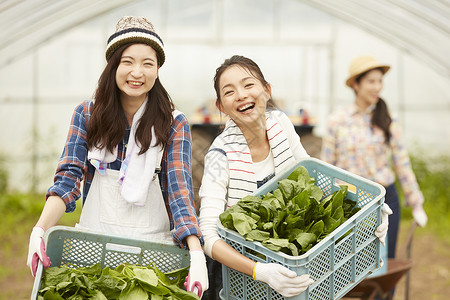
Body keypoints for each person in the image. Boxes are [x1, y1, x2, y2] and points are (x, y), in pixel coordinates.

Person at [26, 16, 208, 297]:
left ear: (158, 70)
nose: (138, 72)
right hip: (93, 249)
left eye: (148, 63)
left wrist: (196, 254)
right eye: (128, 61)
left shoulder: (173, 123)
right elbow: (68, 180)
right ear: (113, 66)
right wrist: (39, 230)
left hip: (153, 257)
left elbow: (179, 192)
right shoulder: (88, 114)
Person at [198, 55, 390, 299]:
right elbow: (208, 236)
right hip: (241, 276)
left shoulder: (281, 124)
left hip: (292, 268)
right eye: (229, 91)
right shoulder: (220, 155)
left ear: (266, 91)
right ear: (221, 106)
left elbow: (312, 179)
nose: (241, 95)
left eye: (248, 85)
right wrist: (261, 271)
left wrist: (366, 211)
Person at [321, 55, 428, 260]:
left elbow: (402, 163)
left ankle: (383, 294)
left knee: (385, 258)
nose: (377, 86)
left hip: (385, 198)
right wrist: (325, 203)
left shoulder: (387, 119)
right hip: (350, 201)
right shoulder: (337, 121)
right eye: (371, 81)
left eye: (380, 81)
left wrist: (416, 203)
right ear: (355, 84)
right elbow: (327, 166)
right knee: (350, 261)